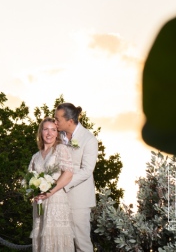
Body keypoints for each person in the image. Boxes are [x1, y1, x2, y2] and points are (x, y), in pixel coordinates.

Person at [54, 103, 98, 252]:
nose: (55, 122)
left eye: (57, 119)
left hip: (79, 199)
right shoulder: (57, 136)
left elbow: (86, 170)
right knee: (62, 243)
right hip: (57, 198)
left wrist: (60, 184)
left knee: (82, 243)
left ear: (70, 121)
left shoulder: (89, 139)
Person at [28, 117, 74, 251]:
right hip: (40, 203)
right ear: (41, 132)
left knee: (55, 237)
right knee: (42, 239)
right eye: (46, 129)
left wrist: (49, 192)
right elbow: (28, 179)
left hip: (56, 201)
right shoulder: (35, 156)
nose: (49, 133)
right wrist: (33, 192)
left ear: (57, 132)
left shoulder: (60, 149)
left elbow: (68, 173)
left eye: (53, 130)